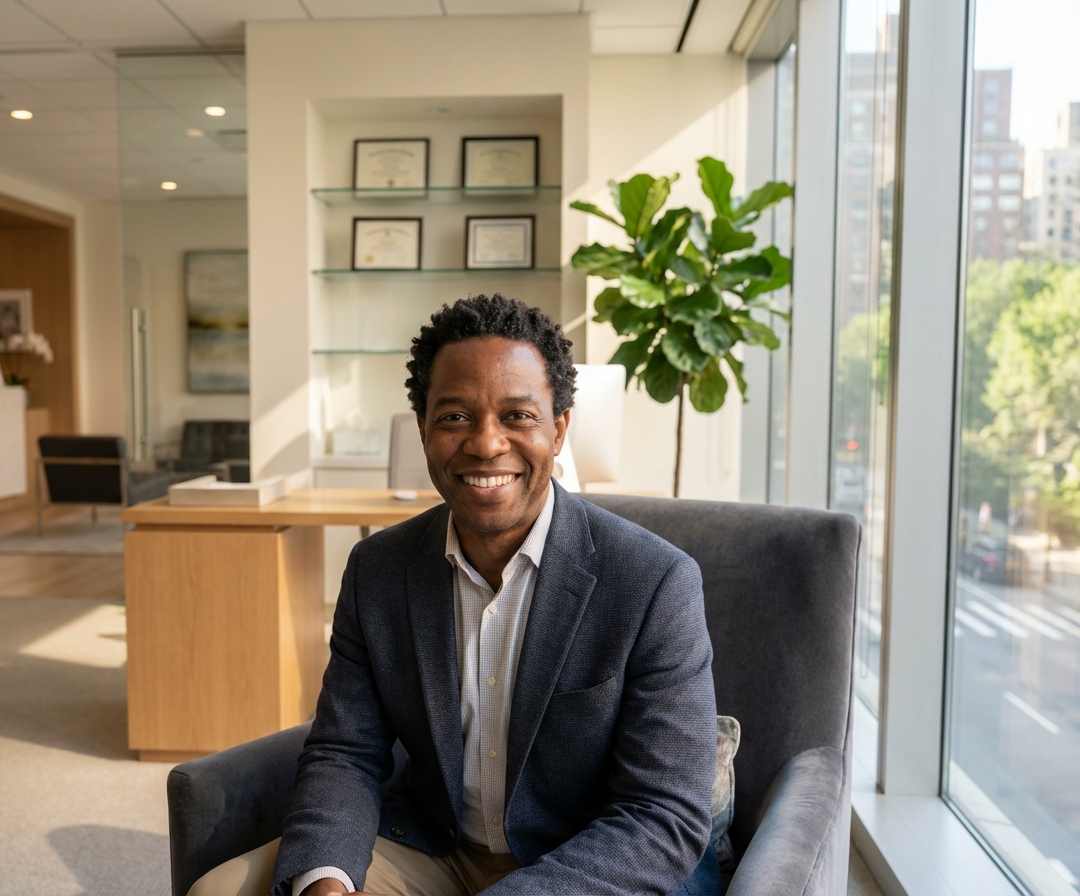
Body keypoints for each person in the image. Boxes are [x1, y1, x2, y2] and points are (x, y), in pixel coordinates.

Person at [191, 294, 718, 896]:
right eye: (455, 417)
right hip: (435, 848)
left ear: (559, 429)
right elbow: (346, 751)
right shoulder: (377, 569)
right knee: (220, 892)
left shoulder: (654, 581)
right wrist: (326, 882)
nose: (486, 444)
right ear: (423, 430)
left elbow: (662, 816)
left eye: (517, 415)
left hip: (583, 865)